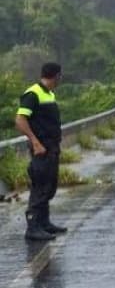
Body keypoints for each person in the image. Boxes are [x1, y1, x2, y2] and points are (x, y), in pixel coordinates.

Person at [14, 63, 66, 241]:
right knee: (40, 186)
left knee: (49, 186)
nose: (61, 79)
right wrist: (35, 142)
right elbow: (20, 120)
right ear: (56, 76)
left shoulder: (49, 94)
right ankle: (33, 227)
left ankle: (44, 223)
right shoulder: (33, 93)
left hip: (51, 147)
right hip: (41, 148)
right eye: (60, 76)